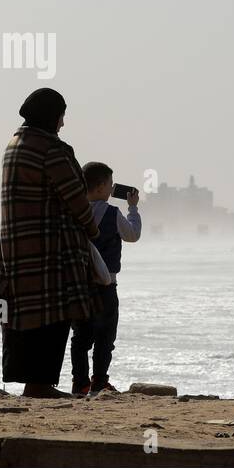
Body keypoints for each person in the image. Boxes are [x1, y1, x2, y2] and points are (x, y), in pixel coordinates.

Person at [0, 88, 101, 398]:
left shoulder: (13, 146)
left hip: (14, 247)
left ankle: (32, 384)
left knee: (22, 315)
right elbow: (77, 199)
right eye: (61, 116)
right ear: (51, 116)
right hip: (49, 251)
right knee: (53, 315)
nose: (63, 123)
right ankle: (39, 386)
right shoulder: (51, 150)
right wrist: (93, 231)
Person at [70, 162, 142, 396]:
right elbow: (132, 235)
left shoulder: (74, 213)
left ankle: (79, 384)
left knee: (80, 339)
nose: (112, 189)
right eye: (110, 184)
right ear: (101, 187)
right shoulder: (113, 213)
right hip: (106, 286)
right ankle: (99, 383)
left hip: (79, 286)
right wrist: (133, 208)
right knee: (104, 338)